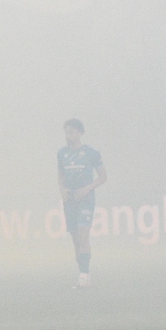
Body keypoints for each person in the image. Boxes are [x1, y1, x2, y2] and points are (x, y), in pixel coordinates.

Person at [56, 119, 106, 287]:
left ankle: (85, 275)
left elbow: (103, 177)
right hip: (70, 200)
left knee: (83, 235)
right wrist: (62, 189)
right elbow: (60, 175)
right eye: (66, 132)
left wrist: (87, 189)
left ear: (79, 133)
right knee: (75, 238)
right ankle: (82, 273)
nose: (68, 135)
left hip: (85, 199)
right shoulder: (62, 153)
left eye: (71, 132)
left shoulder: (92, 153)